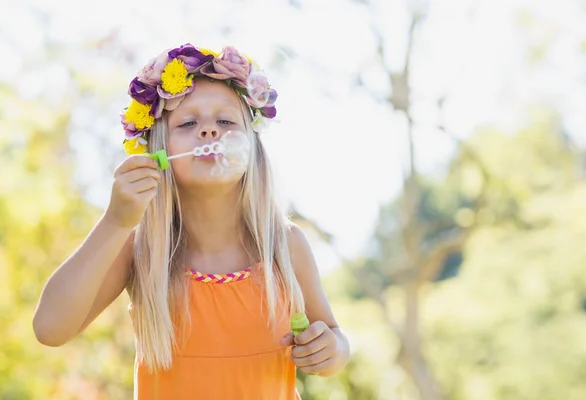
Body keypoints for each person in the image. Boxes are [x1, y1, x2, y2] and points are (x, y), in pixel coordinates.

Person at [32, 43, 350, 399]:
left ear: (254, 148)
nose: (209, 132)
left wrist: (331, 350)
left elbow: (334, 336)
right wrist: (115, 222)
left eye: (226, 121)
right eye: (188, 122)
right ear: (159, 152)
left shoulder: (284, 245)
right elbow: (49, 329)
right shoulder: (141, 249)